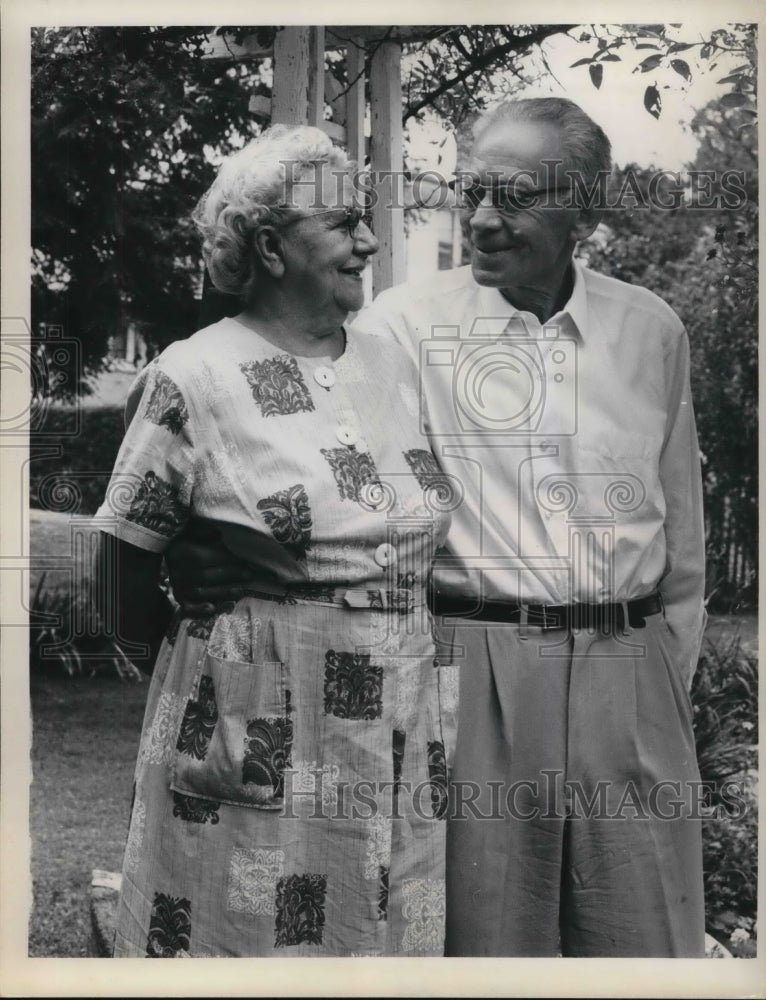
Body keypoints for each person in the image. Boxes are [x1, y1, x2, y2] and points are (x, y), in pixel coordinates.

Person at [168, 98, 707, 957]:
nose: (484, 219)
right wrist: (204, 541)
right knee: (481, 945)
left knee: (651, 941)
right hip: (474, 670)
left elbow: (682, 530)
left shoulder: (652, 330)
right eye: (473, 191)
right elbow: (276, 436)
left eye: (516, 197)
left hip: (630, 672)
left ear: (587, 207)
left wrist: (663, 678)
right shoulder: (397, 327)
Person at [93, 124, 455, 957]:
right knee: (247, 935)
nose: (368, 240)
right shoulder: (195, 374)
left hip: (398, 712)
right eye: (343, 224)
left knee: (383, 931)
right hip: (259, 717)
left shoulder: (390, 364)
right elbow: (118, 565)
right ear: (271, 245)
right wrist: (212, 663)